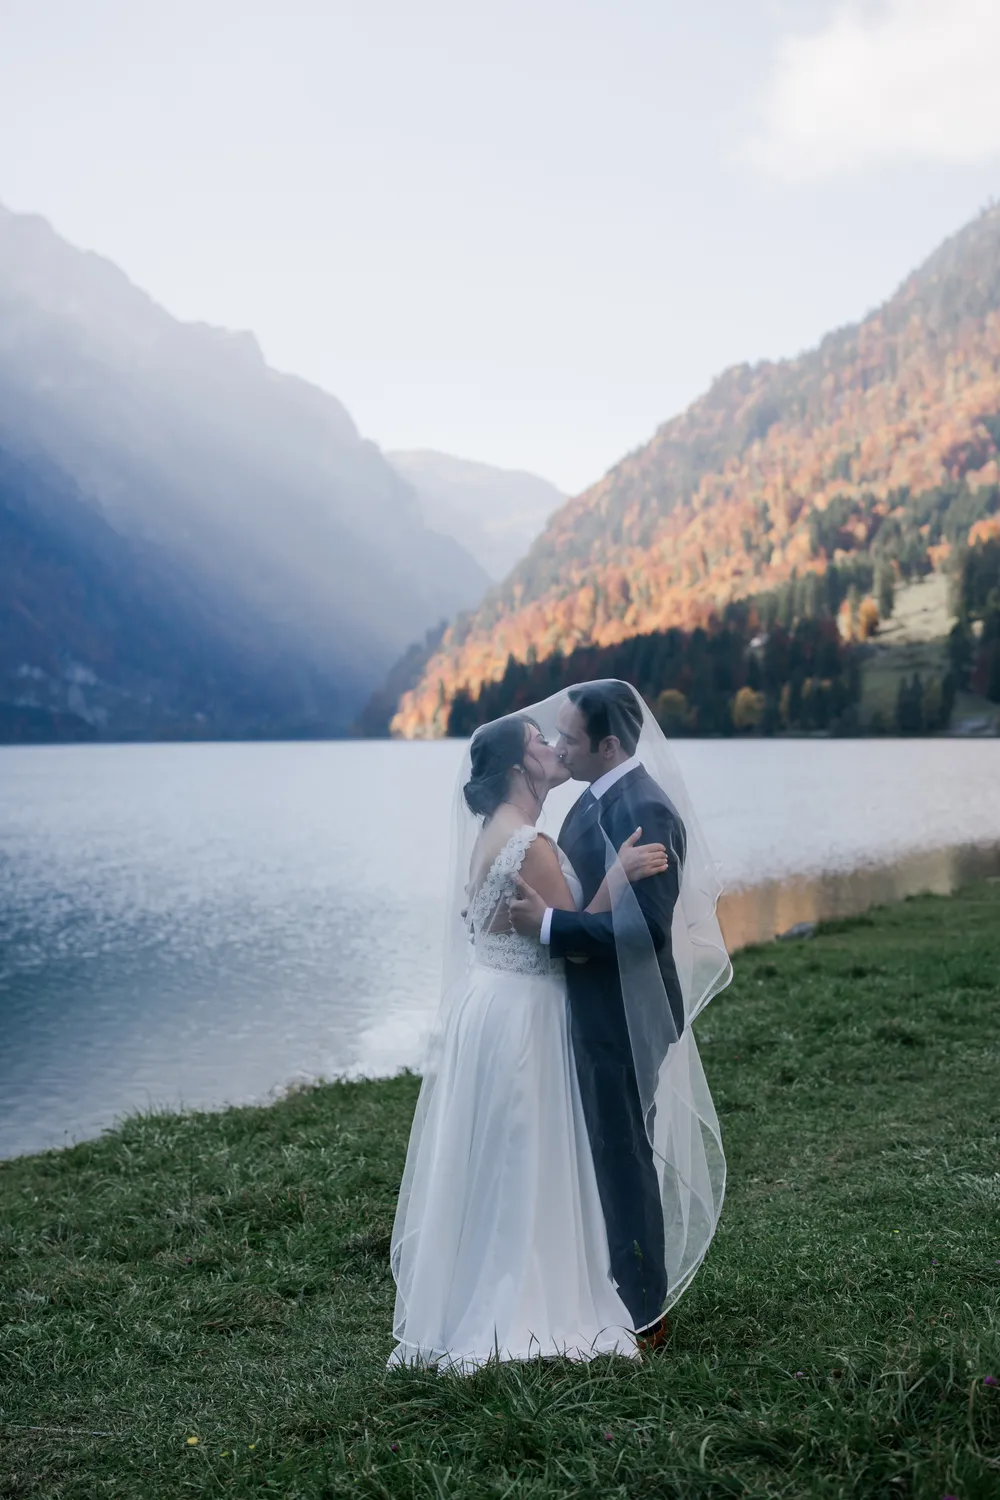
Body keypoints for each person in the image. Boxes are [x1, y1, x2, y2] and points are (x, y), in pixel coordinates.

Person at [388, 711, 669, 1371]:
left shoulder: (494, 831)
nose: (553, 745)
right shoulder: (531, 844)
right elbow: (570, 938)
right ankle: (522, 1302)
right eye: (541, 740)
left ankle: (476, 1292)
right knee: (526, 1153)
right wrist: (618, 877)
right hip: (525, 1013)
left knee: (497, 1153)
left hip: (489, 1003)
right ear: (520, 766)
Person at [508, 681, 688, 1341]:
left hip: (626, 1014)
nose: (559, 747)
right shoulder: (591, 798)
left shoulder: (646, 810)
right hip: (593, 1006)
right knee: (598, 1156)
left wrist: (548, 927)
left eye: (571, 738)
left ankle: (647, 1313)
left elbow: (646, 933)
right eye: (555, 734)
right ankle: (603, 1291)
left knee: (623, 1157)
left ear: (609, 745)